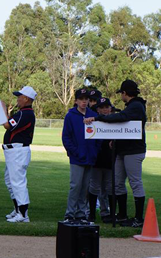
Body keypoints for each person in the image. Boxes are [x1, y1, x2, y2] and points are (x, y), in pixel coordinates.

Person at [84, 80, 147, 228]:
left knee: (135, 183)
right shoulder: (132, 106)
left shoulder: (136, 106)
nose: (121, 96)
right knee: (117, 183)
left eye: (122, 93)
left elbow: (120, 118)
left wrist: (98, 118)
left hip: (133, 151)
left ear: (125, 93)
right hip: (122, 151)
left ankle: (138, 218)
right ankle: (122, 215)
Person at [62, 89, 102, 223]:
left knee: (85, 187)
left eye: (86, 99)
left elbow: (98, 137)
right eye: (81, 99)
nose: (84, 101)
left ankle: (80, 214)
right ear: (76, 101)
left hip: (90, 157)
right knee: (75, 186)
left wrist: (95, 151)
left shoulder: (93, 114)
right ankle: (70, 213)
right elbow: (66, 137)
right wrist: (75, 152)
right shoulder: (71, 115)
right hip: (77, 157)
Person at [1, 86, 37, 223]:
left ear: (26, 98)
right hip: (14, 151)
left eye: (19, 96)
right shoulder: (23, 113)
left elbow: (7, 125)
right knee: (11, 181)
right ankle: (17, 210)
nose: (18, 99)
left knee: (17, 182)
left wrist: (3, 109)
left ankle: (23, 214)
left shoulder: (25, 113)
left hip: (17, 151)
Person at [88, 97, 114, 223]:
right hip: (97, 160)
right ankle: (91, 213)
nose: (104, 110)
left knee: (108, 188)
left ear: (110, 109)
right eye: (102, 107)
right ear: (97, 109)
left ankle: (107, 213)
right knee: (94, 187)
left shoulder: (115, 122)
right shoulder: (94, 122)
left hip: (110, 161)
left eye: (107, 107)